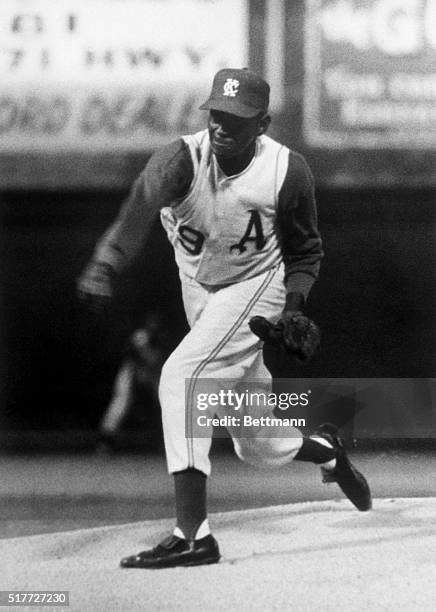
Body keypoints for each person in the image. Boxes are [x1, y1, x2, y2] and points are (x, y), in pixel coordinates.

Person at [77, 67, 371, 569]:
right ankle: (326, 449)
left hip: (259, 285)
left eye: (235, 119)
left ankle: (192, 536)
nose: (220, 126)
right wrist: (105, 262)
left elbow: (305, 252)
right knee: (253, 440)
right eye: (216, 114)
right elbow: (137, 212)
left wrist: (293, 309)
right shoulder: (179, 161)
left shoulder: (286, 170)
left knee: (182, 377)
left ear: (263, 123)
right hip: (202, 291)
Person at [96, 314, 166, 452]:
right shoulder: (140, 335)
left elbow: (154, 361)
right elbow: (140, 356)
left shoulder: (161, 336)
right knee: (121, 401)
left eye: (156, 322)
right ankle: (105, 440)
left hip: (150, 372)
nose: (153, 324)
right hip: (131, 369)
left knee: (164, 399)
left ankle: (166, 440)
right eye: (151, 322)